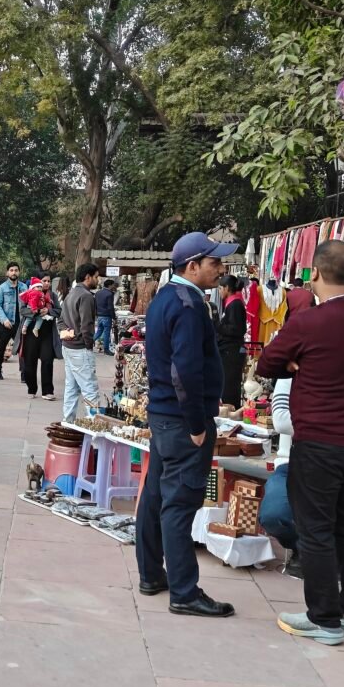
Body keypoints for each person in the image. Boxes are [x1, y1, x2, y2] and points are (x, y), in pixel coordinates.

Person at [257, 240, 344, 645]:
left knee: (316, 530)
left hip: (320, 443)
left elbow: (266, 363)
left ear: (315, 273)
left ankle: (324, 617)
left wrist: (297, 362)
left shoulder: (309, 322)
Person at [136, 232, 238, 618]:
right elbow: (185, 372)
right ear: (192, 266)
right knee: (178, 503)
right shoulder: (188, 304)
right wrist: (197, 423)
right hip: (181, 420)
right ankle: (183, 591)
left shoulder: (167, 297)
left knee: (156, 498)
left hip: (164, 416)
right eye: (214, 263)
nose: (221, 270)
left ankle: (152, 574)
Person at [259, 377, 299, 576]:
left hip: (330, 464)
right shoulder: (288, 376)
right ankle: (302, 549)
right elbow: (282, 421)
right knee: (273, 515)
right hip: (289, 464)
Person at [58, 264, 101, 422]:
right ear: (87, 277)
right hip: (80, 349)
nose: (98, 280)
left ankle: (67, 422)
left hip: (68, 347)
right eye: (96, 276)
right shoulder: (86, 296)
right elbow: (87, 325)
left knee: (72, 388)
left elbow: (61, 321)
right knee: (90, 389)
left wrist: (67, 334)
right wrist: (88, 344)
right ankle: (94, 427)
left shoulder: (71, 294)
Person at [21, 272, 59, 400]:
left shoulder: (52, 296)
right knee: (29, 362)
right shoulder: (29, 294)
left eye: (49, 281)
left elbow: (59, 311)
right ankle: (31, 388)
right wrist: (36, 311)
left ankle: (47, 391)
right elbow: (22, 310)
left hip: (47, 332)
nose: (47, 283)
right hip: (31, 332)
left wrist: (48, 310)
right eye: (44, 280)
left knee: (47, 360)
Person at [215, 274, 247, 408]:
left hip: (231, 352)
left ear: (227, 288)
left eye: (221, 288)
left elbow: (237, 329)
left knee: (230, 387)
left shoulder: (235, 305)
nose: (219, 291)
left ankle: (231, 413)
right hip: (228, 352)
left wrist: (217, 325)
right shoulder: (232, 303)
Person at [0, 262, 26, 380]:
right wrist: (4, 319)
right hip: (6, 323)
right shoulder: (2, 288)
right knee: (1, 347)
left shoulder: (24, 287)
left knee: (23, 349)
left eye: (16, 270)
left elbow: (27, 304)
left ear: (19, 272)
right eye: (11, 270)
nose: (14, 272)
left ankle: (24, 373)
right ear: (7, 273)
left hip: (20, 323)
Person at [94, 279, 117, 354]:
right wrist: (114, 317)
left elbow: (95, 305)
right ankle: (106, 350)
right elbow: (110, 307)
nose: (114, 286)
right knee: (107, 333)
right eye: (113, 285)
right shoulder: (110, 294)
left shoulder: (97, 293)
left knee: (99, 331)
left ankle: (87, 344)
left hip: (99, 316)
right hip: (107, 316)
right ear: (110, 285)